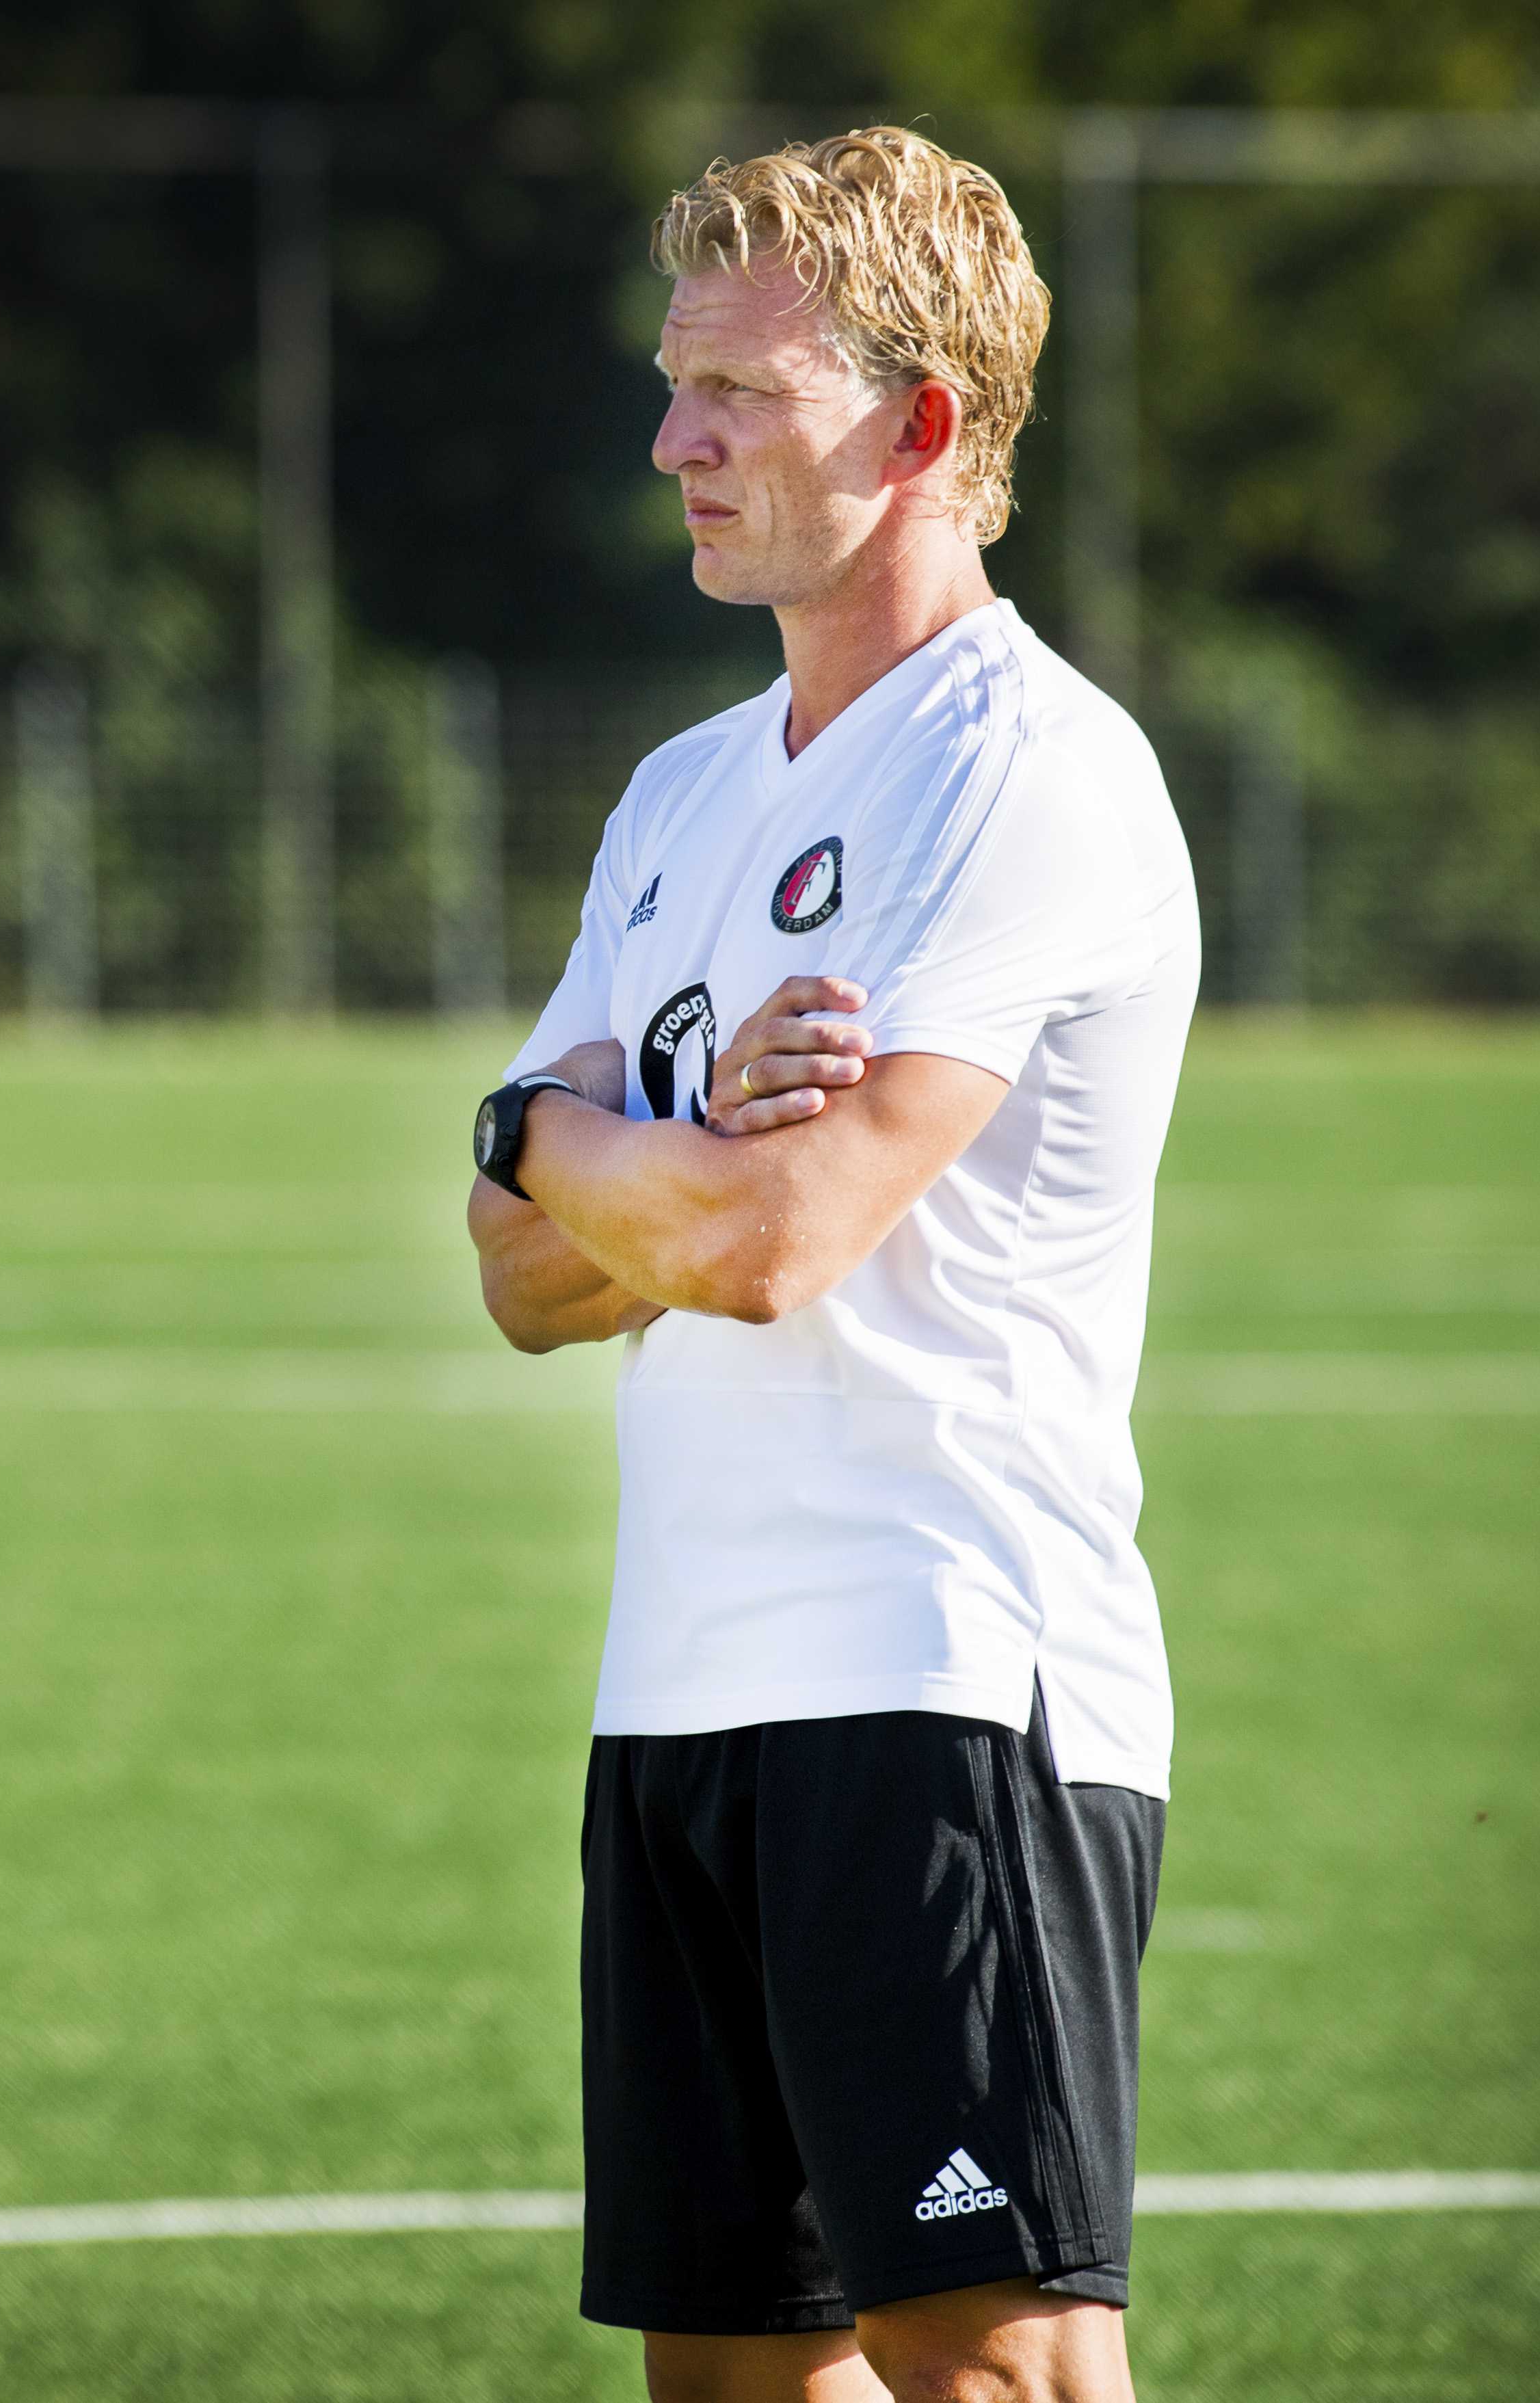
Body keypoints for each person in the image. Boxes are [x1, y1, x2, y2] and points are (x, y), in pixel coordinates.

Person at [464, 128, 1199, 2403]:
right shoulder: (689, 796)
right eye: (675, 382)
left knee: (990, 2364)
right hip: (680, 1688)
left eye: (736, 395)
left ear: (924, 431)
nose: (672, 438)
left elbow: (772, 1241)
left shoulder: (1027, 771)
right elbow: (523, 1269)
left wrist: (563, 1135)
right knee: (738, 2379)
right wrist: (578, 1145)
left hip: (946, 1672)